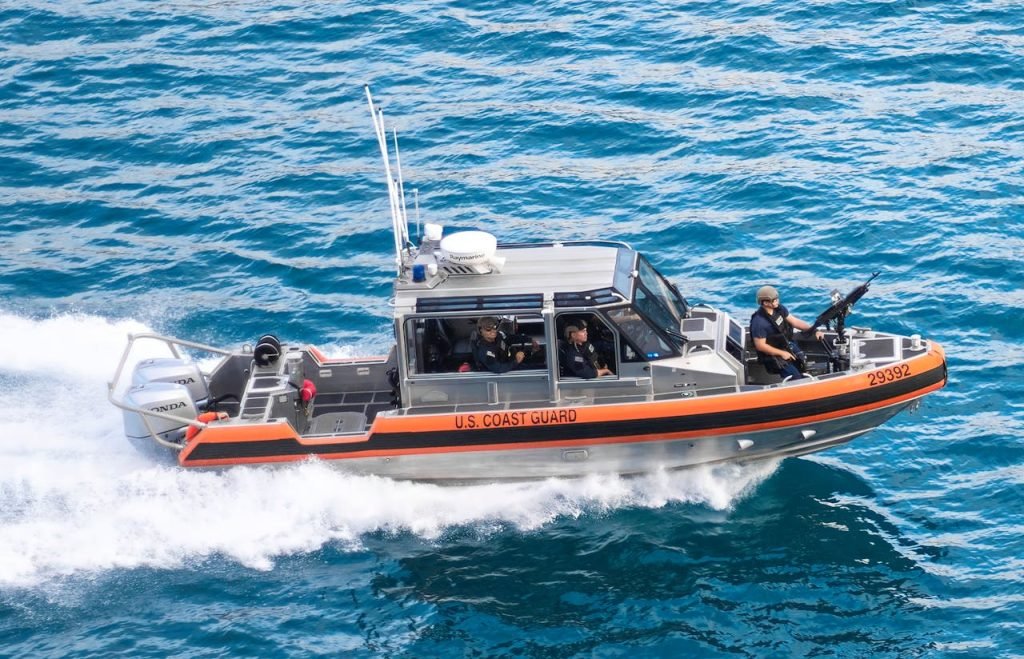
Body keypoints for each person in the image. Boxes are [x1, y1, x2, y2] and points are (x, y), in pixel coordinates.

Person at [750, 285, 824, 381]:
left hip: (786, 344)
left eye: (777, 299)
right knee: (794, 377)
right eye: (774, 300)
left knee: (802, 362)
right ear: (765, 302)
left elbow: (795, 322)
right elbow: (760, 346)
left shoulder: (780, 309)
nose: (777, 302)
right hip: (772, 354)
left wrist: (814, 330)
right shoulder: (759, 322)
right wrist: (782, 353)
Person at [472, 316, 539, 373]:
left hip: (509, 361)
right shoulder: (485, 352)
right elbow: (498, 368)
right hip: (505, 371)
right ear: (481, 331)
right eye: (488, 329)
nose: (493, 331)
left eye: (494, 327)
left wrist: (529, 339)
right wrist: (516, 361)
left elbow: (510, 338)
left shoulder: (499, 335)